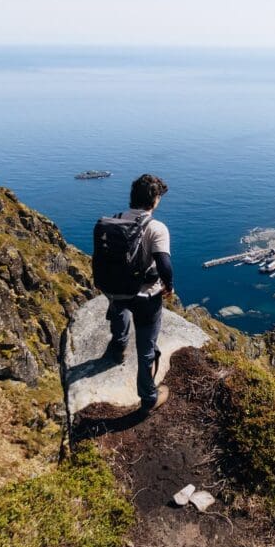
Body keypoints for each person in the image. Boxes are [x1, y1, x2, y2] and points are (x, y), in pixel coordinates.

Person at [102, 174, 174, 412]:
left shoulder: (114, 219)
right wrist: (169, 286)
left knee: (119, 309)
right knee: (146, 347)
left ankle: (119, 347)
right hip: (145, 296)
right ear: (154, 200)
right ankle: (148, 396)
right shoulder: (156, 228)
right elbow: (164, 264)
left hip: (116, 289)